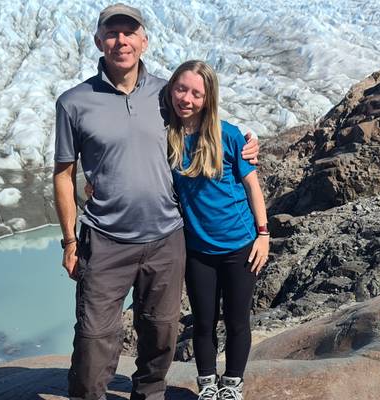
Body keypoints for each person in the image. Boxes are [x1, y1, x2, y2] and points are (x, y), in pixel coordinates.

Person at [52, 4, 258, 400]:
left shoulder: (166, 93)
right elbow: (63, 174)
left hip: (166, 237)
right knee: (95, 337)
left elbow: (208, 125)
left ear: (144, 41)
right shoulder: (73, 103)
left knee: (161, 332)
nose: (121, 41)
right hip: (105, 238)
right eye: (112, 33)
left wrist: (248, 144)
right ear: (99, 41)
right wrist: (69, 240)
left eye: (130, 33)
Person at [165, 60, 269, 400]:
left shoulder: (229, 135)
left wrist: (264, 235)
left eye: (196, 93)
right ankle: (208, 385)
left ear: (208, 99)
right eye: (182, 89)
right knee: (204, 321)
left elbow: (253, 187)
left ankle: (233, 384)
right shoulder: (168, 137)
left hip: (240, 246)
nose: (187, 99)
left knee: (237, 321)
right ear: (171, 89)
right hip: (198, 250)